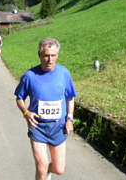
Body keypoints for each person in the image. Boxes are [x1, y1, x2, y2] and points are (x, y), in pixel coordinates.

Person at [14, 38, 77, 180]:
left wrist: (70, 119)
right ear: (39, 55)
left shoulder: (64, 73)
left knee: (59, 169)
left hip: (58, 127)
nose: (49, 60)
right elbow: (19, 98)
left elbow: (70, 98)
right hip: (38, 128)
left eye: (53, 56)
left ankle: (47, 172)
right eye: (46, 56)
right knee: (41, 167)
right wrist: (26, 112)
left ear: (57, 55)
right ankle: (43, 174)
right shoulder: (29, 76)